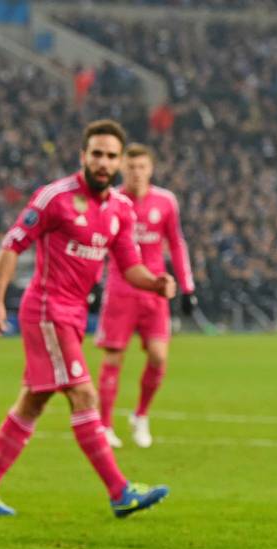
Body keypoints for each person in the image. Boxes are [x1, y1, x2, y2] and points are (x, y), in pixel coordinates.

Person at [0, 119, 174, 519]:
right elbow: (12, 245)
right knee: (83, 394)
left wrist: (155, 282)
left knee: (33, 402)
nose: (103, 162)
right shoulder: (54, 198)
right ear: (83, 156)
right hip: (47, 310)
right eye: (96, 153)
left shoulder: (120, 210)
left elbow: (130, 266)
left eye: (111, 156)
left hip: (74, 315)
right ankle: (120, 492)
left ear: (117, 163)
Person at [95, 143, 194, 448]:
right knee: (114, 356)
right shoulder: (112, 200)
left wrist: (187, 287)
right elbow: (98, 243)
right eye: (132, 167)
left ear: (151, 169)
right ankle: (106, 425)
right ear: (123, 168)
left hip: (154, 289)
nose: (137, 173)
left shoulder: (165, 202)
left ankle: (141, 415)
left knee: (158, 356)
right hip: (120, 289)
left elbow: (176, 243)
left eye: (142, 167)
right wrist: (92, 284)